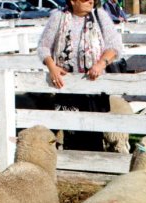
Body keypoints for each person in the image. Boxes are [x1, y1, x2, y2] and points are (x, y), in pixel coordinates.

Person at [37, 0, 123, 149]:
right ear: (73, 1)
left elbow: (115, 46)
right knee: (70, 135)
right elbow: (43, 47)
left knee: (94, 135)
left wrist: (101, 63)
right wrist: (52, 67)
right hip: (66, 88)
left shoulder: (100, 16)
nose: (90, 1)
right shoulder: (58, 17)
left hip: (94, 89)